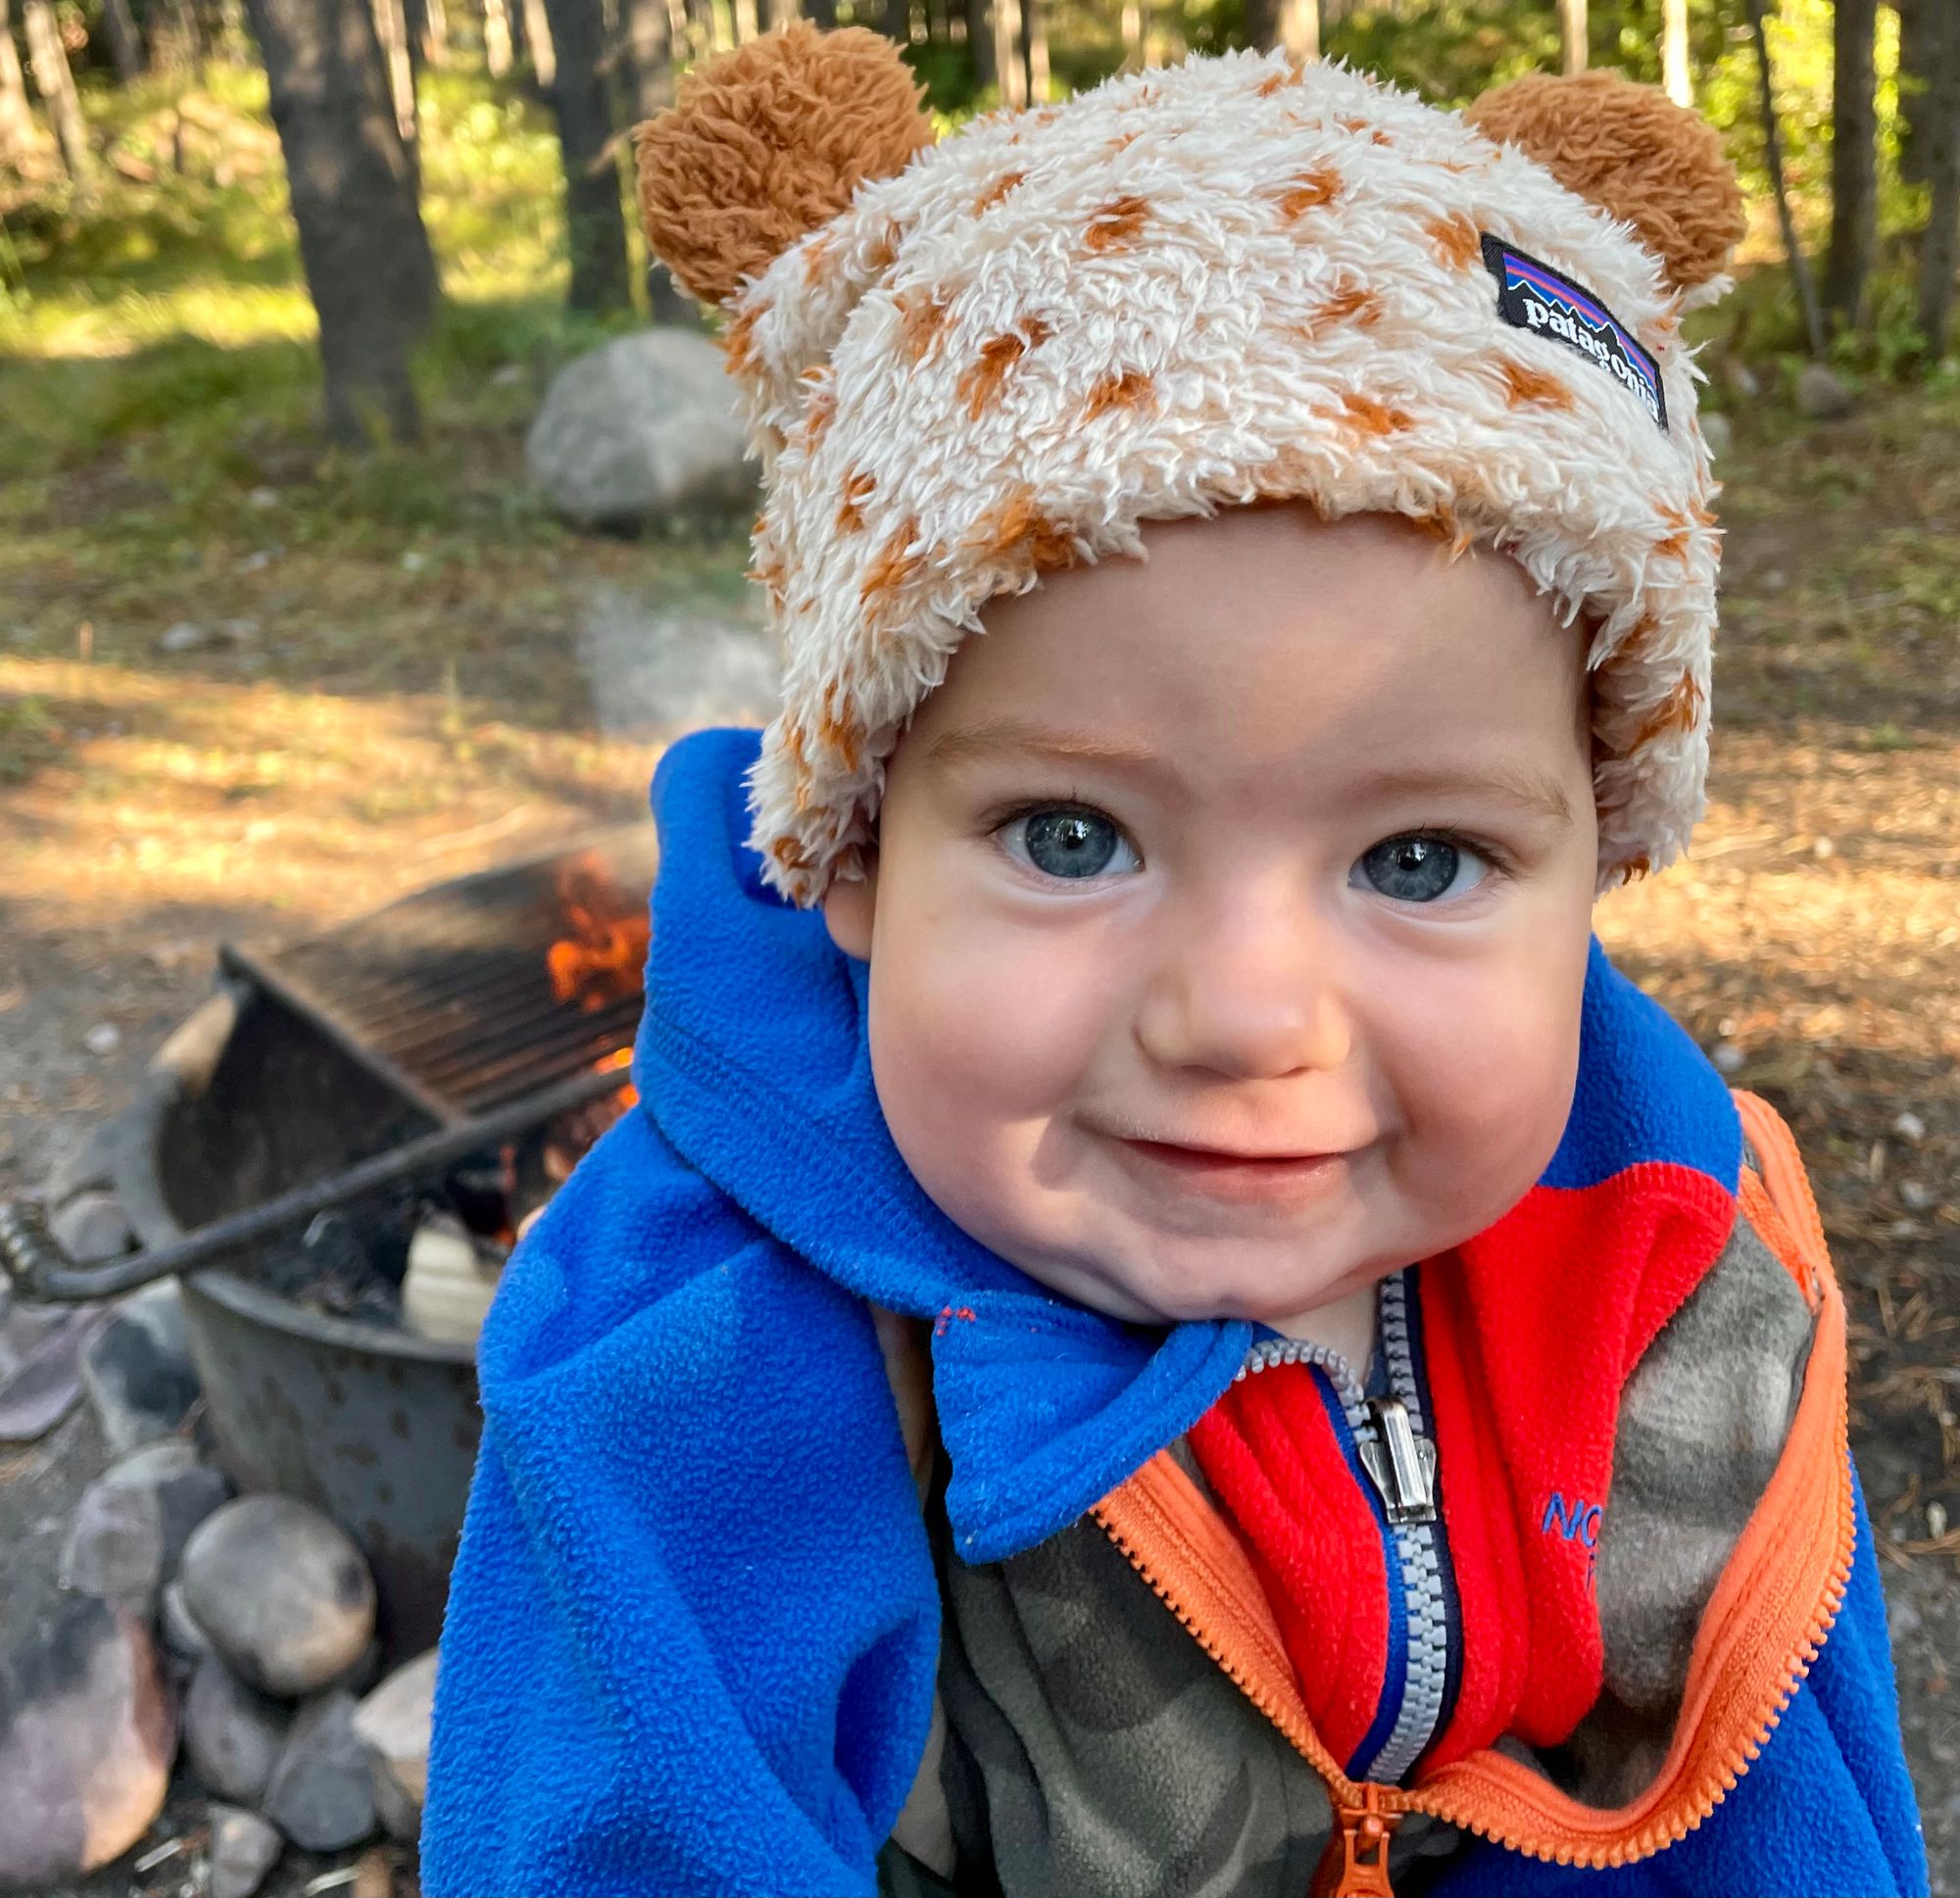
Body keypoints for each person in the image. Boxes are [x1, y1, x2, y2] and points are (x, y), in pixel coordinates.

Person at [419, 26, 1927, 1897]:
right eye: (1074, 838)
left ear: (1591, 872)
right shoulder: (709, 1353)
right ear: (858, 850)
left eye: (1423, 857)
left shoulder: (1673, 1269)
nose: (1243, 1013)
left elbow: (1780, 1826)